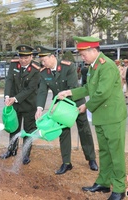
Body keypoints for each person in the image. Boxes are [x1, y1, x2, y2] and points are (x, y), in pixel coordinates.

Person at [58, 36, 127, 200]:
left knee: (115, 153)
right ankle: (103, 182)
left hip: (113, 117)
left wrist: (86, 106)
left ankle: (119, 188)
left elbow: (102, 93)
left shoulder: (107, 66)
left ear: (93, 50)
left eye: (83, 54)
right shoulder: (94, 67)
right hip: (102, 117)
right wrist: (69, 93)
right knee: (104, 151)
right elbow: (89, 88)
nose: (82, 57)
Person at [35, 45, 98, 175]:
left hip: (76, 103)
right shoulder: (43, 72)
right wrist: (39, 108)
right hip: (60, 107)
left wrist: (60, 103)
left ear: (52, 57)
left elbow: (73, 87)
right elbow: (42, 91)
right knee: (63, 132)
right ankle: (66, 162)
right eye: (41, 61)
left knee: (84, 130)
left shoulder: (68, 66)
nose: (42, 63)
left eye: (44, 60)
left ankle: (91, 158)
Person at [0, 45, 40, 165]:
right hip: (14, 105)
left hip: (29, 105)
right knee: (13, 129)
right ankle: (11, 150)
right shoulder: (13, 64)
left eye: (26, 57)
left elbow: (31, 88)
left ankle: (26, 155)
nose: (23, 60)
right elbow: (9, 80)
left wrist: (15, 98)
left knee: (29, 130)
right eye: (21, 57)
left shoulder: (36, 68)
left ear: (31, 56)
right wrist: (7, 96)